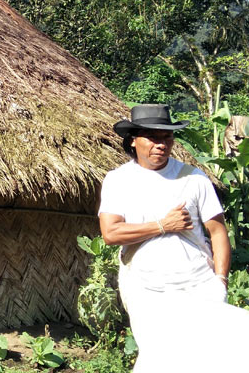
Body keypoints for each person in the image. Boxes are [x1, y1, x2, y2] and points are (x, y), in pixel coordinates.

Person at [99, 103, 249, 372]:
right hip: (148, 290)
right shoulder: (118, 181)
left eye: (167, 137)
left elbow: (218, 232)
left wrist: (220, 281)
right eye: (153, 137)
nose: (161, 144)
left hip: (200, 285)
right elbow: (111, 233)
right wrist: (162, 225)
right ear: (133, 141)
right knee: (163, 360)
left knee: (223, 354)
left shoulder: (193, 178)